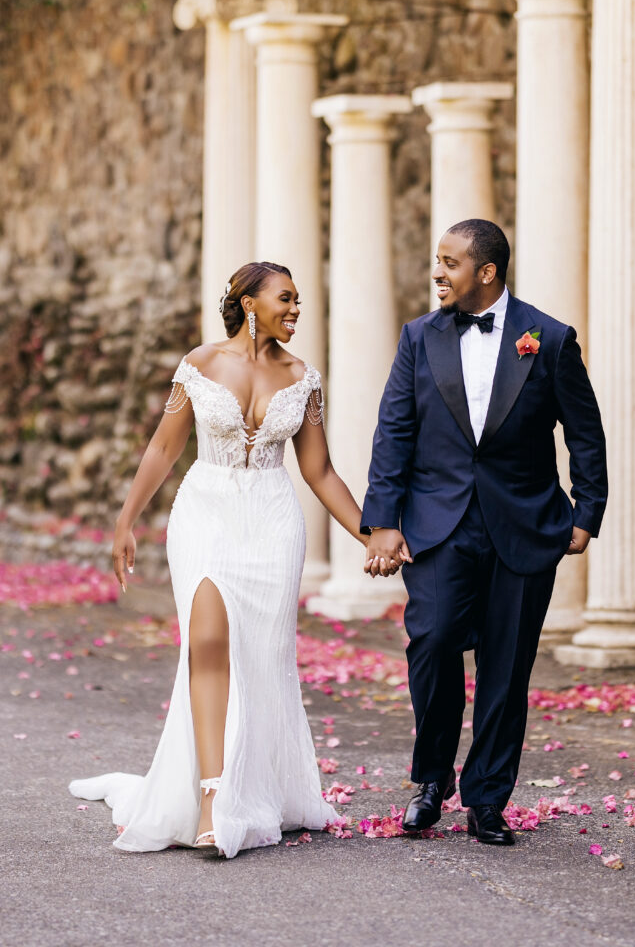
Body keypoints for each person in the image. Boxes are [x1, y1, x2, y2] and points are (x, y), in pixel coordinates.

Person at [70, 261, 371, 858]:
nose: (295, 309)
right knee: (205, 641)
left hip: (272, 522)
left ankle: (259, 787)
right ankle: (212, 797)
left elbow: (319, 471)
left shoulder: (303, 378)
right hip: (205, 513)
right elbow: (164, 445)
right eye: (285, 298)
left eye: (298, 300)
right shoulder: (201, 364)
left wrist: (373, 535)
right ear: (249, 302)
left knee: (262, 656)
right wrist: (125, 520)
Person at [361, 219, 607, 846]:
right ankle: (430, 781)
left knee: (507, 666)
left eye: (448, 262)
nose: (437, 271)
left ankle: (488, 799)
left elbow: (584, 432)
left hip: (524, 526)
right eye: (436, 260)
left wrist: (586, 513)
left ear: (486, 272)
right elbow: (394, 433)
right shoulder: (418, 337)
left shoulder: (548, 339)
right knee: (434, 641)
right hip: (438, 524)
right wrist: (382, 521)